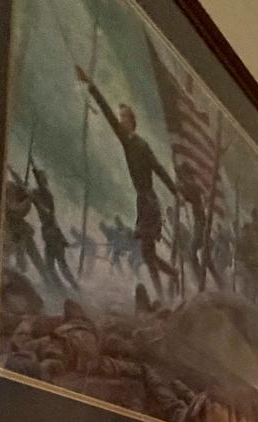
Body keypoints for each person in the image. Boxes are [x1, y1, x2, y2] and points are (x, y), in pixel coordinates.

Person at [77, 68, 179, 298]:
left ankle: (164, 288)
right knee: (147, 254)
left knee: (147, 252)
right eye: (120, 117)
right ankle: (170, 277)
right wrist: (91, 86)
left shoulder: (141, 145)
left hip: (149, 201)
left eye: (124, 117)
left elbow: (159, 169)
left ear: (132, 121)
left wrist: (175, 191)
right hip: (142, 200)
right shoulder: (127, 141)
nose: (120, 120)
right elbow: (107, 114)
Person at [29, 166, 80, 293]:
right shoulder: (35, 192)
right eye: (39, 178)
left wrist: (36, 201)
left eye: (42, 179)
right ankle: (60, 290)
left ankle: (75, 288)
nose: (41, 181)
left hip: (54, 233)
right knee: (49, 267)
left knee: (62, 266)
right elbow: (24, 191)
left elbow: (49, 214)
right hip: (47, 233)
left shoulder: (47, 194)